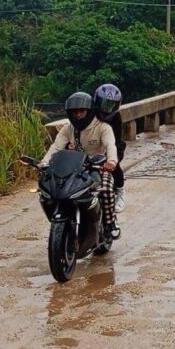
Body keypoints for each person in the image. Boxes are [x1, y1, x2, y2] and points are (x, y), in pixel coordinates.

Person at [40, 91, 119, 237]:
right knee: (53, 191)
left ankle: (110, 223)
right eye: (74, 112)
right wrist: (44, 163)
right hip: (75, 169)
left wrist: (111, 161)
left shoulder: (103, 127)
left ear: (89, 111)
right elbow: (55, 147)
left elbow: (110, 145)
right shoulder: (68, 128)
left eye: (81, 111)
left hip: (97, 168)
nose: (78, 115)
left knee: (106, 189)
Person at [93, 83, 126, 211]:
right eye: (104, 104)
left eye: (110, 105)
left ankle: (120, 191)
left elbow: (116, 140)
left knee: (114, 165)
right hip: (93, 144)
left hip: (112, 145)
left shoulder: (116, 118)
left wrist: (111, 158)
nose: (106, 109)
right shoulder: (90, 113)